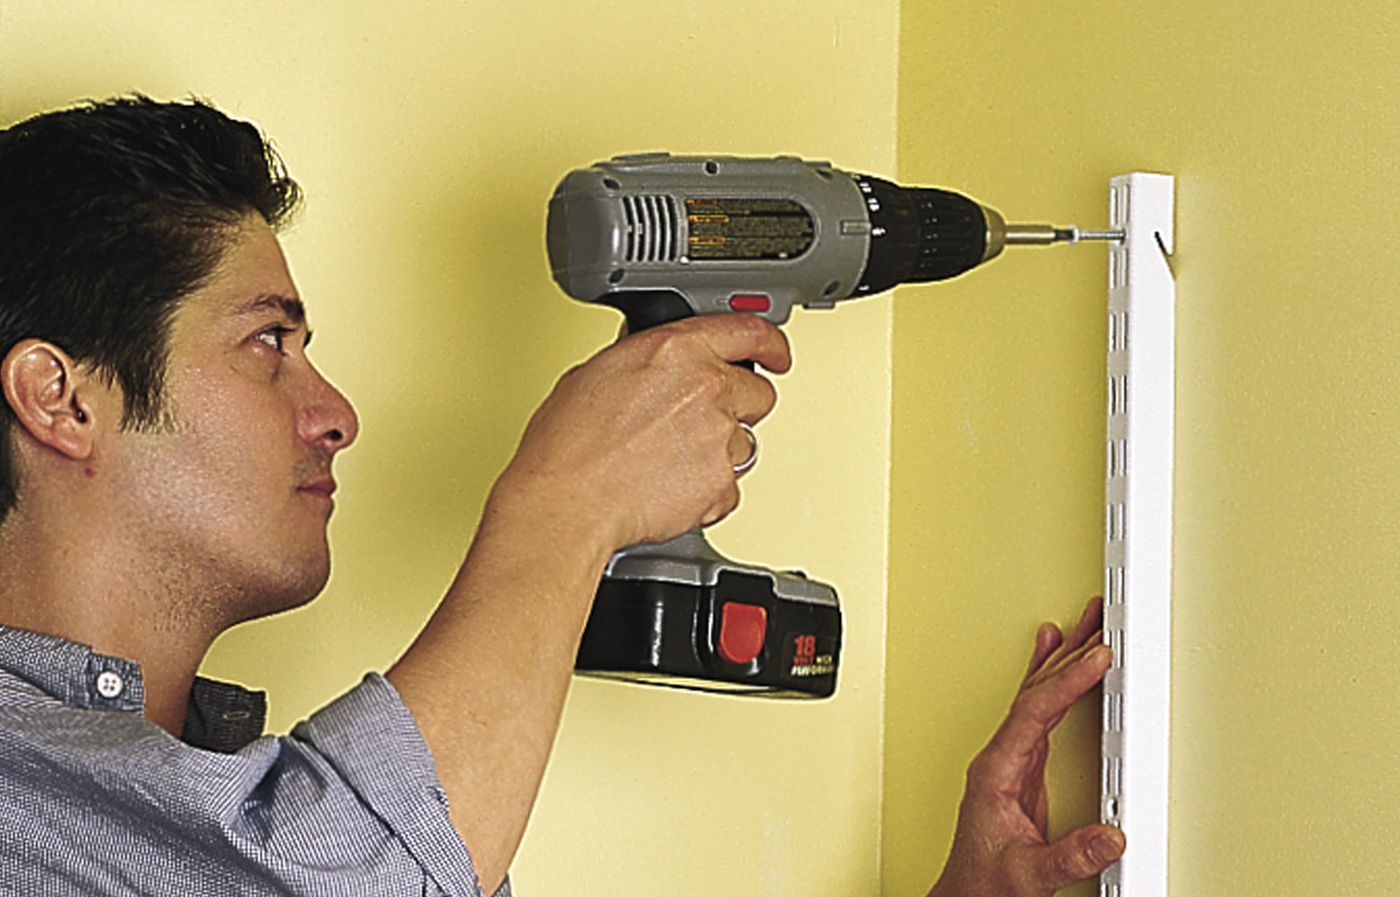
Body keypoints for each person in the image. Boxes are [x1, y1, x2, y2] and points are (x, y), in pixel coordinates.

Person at [0, 95, 1124, 897]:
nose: (333, 410)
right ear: (60, 397)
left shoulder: (201, 788)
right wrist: (565, 500)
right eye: (266, 343)